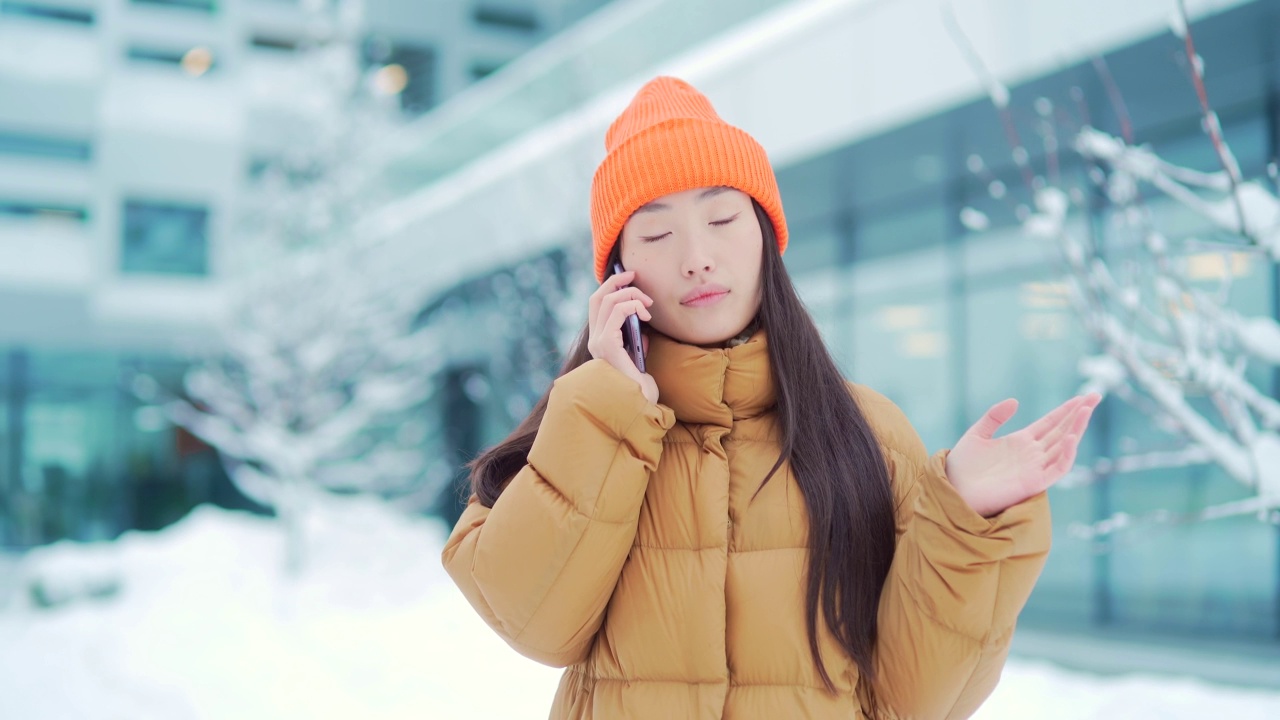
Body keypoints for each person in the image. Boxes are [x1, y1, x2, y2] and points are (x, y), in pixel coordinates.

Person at [442, 76, 1100, 719]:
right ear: (618, 271)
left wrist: (966, 519)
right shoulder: (583, 429)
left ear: (766, 237)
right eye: (657, 234)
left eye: (723, 217)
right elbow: (535, 626)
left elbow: (915, 701)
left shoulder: (865, 432)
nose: (697, 256)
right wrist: (612, 411)